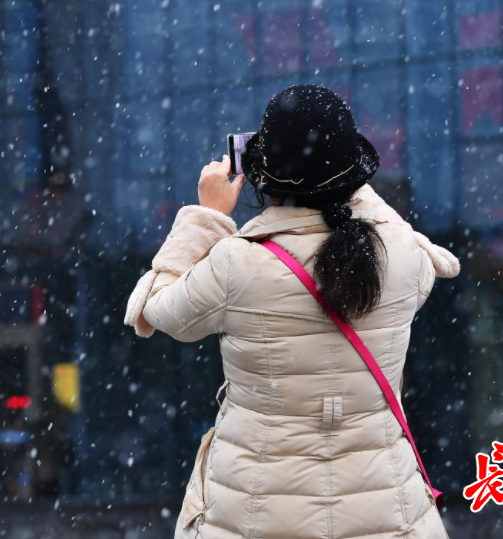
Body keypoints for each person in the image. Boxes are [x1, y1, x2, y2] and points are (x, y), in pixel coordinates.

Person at [124, 85, 459, 539]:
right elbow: (387, 229)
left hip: (255, 516)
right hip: (387, 515)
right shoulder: (406, 260)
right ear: (356, 179)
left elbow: (154, 308)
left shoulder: (235, 265)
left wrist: (206, 216)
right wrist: (343, 178)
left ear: (264, 177)